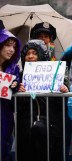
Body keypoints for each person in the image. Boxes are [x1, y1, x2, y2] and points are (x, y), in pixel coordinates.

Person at [17, 39, 69, 161]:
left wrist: (64, 89)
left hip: (51, 127)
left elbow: (63, 102)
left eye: (34, 53)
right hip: (26, 127)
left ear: (42, 55)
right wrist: (18, 90)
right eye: (27, 53)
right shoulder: (19, 75)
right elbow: (15, 105)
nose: (30, 56)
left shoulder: (57, 74)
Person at [0, 28, 21, 161]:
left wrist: (16, 85)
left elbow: (16, 83)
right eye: (8, 45)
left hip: (5, 117)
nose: (11, 50)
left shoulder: (14, 68)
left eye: (14, 46)